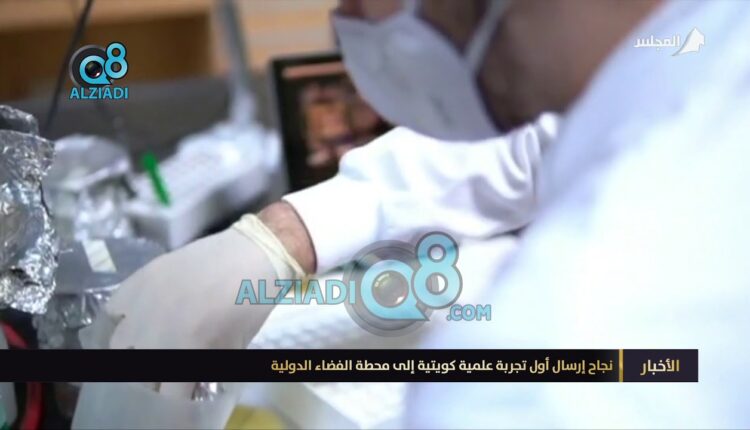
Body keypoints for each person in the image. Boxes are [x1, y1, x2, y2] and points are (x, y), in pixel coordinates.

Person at [95, 0, 750, 426]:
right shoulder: (696, 40)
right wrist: (284, 238)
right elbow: (540, 142)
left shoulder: (553, 368)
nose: (346, 18)